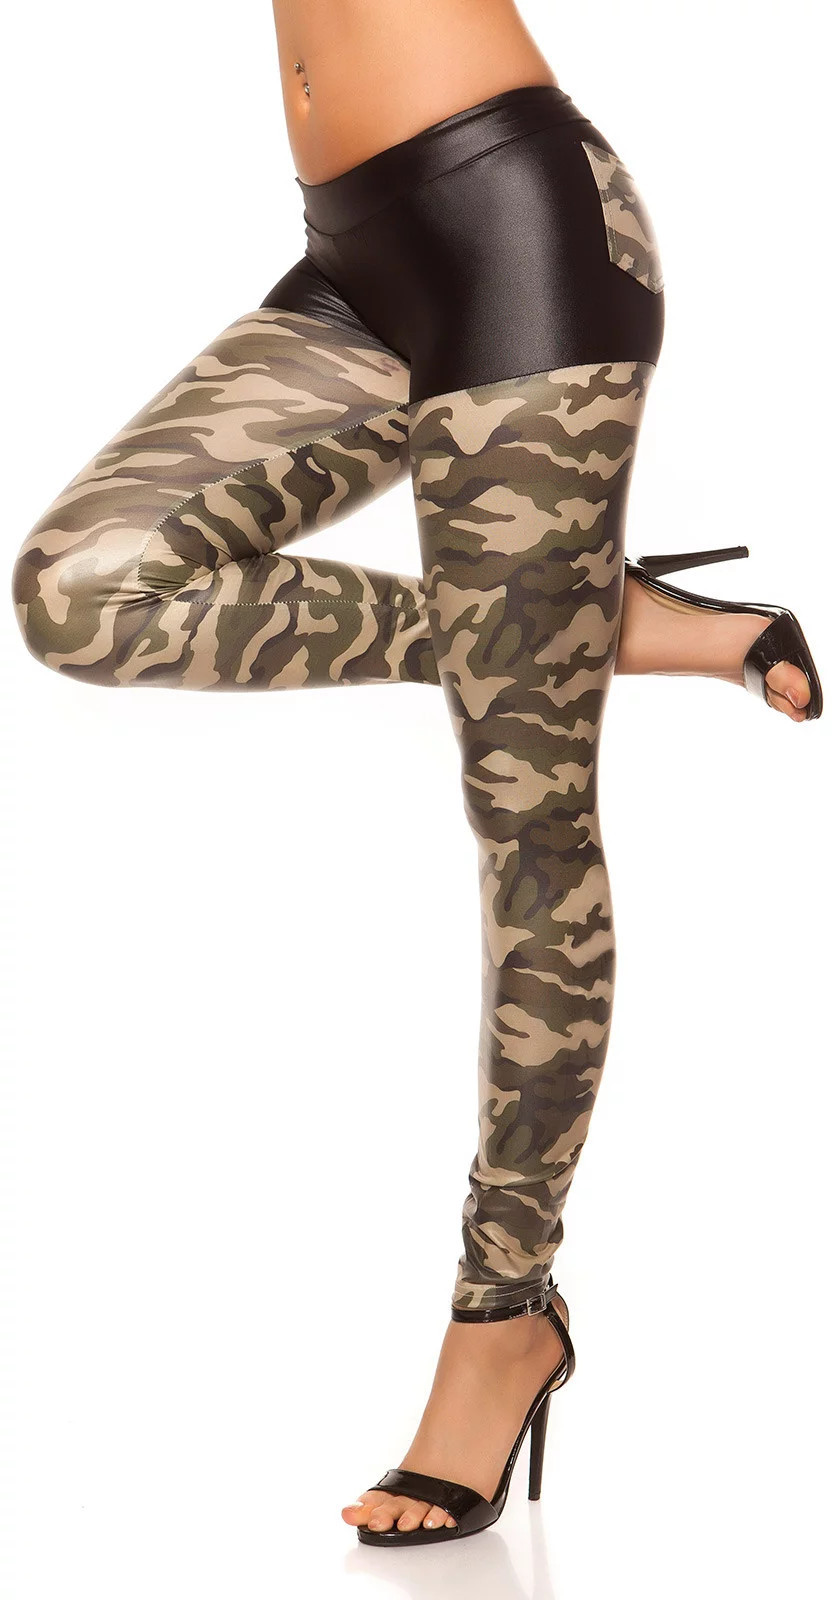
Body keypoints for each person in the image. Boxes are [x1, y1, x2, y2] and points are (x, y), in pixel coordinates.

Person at [10, 0, 822, 1550]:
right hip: (354, 257)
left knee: (529, 824)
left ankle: (505, 1317)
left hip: (523, 229)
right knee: (87, 590)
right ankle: (585, 622)